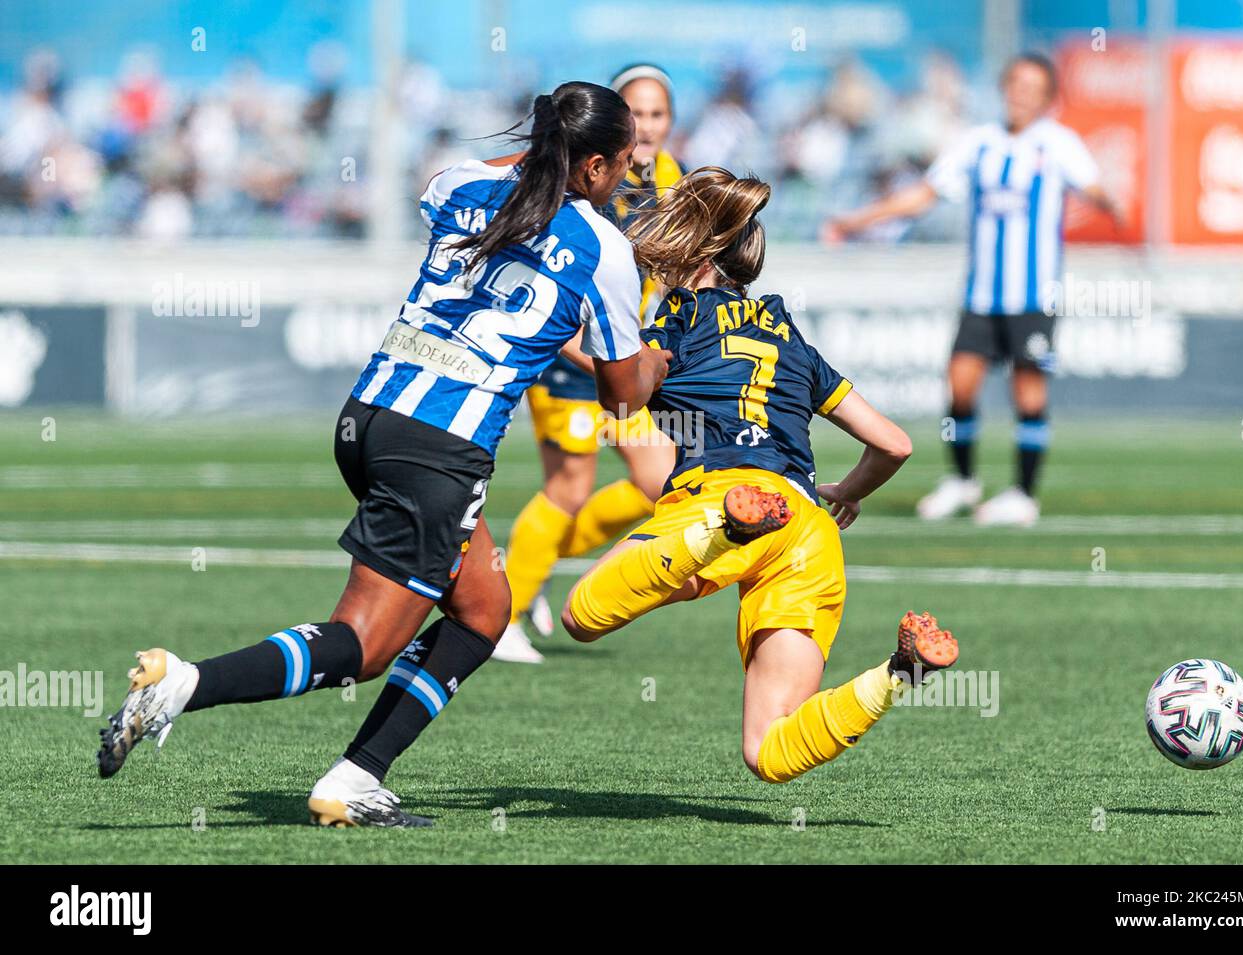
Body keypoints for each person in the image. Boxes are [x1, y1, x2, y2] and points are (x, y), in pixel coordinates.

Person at [96, 81, 672, 827]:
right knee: (363, 644)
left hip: (367, 417)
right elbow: (624, 402)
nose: (627, 178)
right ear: (592, 167)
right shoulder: (604, 249)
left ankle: (356, 776)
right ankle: (183, 683)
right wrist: (667, 357)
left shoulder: (462, 181)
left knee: (483, 609)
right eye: (622, 165)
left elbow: (473, 186)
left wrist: (539, 155)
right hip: (439, 447)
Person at [561, 167, 958, 785]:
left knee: (583, 617)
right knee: (770, 752)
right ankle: (899, 673)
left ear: (693, 248)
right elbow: (895, 444)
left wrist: (554, 324)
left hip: (722, 497)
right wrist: (848, 494)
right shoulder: (790, 338)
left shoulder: (679, 319)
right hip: (804, 524)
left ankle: (724, 535)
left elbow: (623, 394)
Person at [824, 52, 1124, 526]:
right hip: (982, 295)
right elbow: (923, 195)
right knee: (960, 388)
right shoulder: (979, 143)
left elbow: (1096, 188)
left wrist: (1116, 206)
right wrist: (858, 220)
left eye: (1033, 88)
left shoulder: (1058, 143)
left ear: (1047, 97)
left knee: (1028, 395)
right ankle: (963, 481)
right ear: (1005, 89)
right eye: (1015, 84)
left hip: (1034, 295)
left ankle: (1024, 494)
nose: (1021, 95)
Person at [496, 64, 683, 663]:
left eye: (657, 114)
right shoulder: (580, 180)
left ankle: (531, 561)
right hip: (567, 352)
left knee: (660, 481)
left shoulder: (671, 179)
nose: (647, 127)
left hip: (616, 355)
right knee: (570, 487)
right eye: (636, 114)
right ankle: (500, 615)